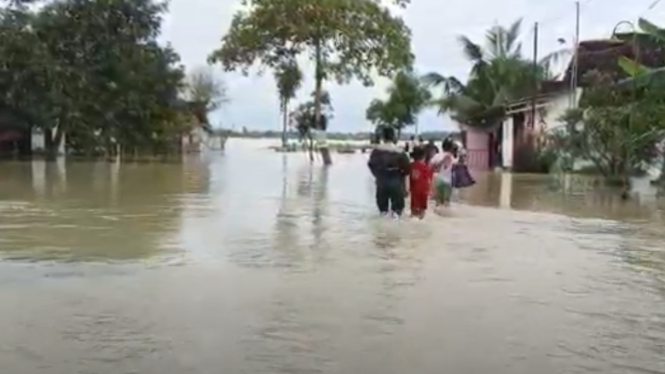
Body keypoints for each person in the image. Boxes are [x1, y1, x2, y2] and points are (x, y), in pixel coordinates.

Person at [368, 126, 411, 217]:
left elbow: (371, 165)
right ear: (394, 137)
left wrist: (377, 175)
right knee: (397, 213)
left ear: (383, 137)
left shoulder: (376, 151)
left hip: (382, 181)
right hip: (396, 181)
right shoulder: (400, 152)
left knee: (383, 212)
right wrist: (406, 187)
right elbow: (407, 170)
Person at [429, 138, 457, 207]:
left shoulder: (437, 155)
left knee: (437, 202)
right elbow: (455, 167)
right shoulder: (451, 157)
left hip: (437, 180)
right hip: (448, 181)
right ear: (451, 147)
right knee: (446, 203)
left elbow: (429, 166)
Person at [407, 146, 432, 219]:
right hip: (424, 191)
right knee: (422, 210)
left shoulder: (410, 166)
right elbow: (428, 180)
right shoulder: (426, 167)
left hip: (414, 190)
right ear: (424, 156)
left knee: (413, 210)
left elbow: (408, 178)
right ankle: (421, 219)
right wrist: (430, 190)